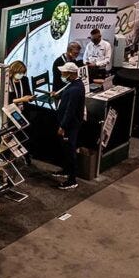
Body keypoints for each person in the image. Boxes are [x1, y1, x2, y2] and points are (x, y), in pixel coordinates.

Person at [54, 62, 85, 190]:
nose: (61, 74)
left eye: (64, 73)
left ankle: (72, 180)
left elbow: (70, 110)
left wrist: (63, 126)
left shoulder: (75, 89)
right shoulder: (75, 84)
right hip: (70, 124)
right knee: (66, 149)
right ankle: (66, 170)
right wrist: (58, 95)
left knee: (70, 150)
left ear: (71, 74)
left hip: (70, 126)